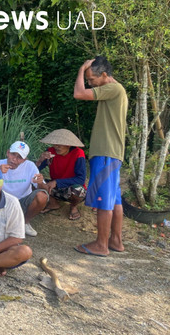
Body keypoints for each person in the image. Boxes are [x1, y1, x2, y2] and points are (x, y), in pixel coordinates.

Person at [73, 56, 128, 256]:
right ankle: (115, 241)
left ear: (104, 75)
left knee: (105, 200)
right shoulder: (116, 91)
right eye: (87, 79)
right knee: (114, 200)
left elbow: (79, 93)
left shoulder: (113, 88)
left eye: (92, 79)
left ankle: (101, 245)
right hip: (112, 152)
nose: (89, 83)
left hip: (106, 152)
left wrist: (81, 68)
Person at [0, 141, 48, 237]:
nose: (14, 159)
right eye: (13, 154)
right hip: (1, 202)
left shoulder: (30, 166)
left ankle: (24, 223)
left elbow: (45, 189)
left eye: (19, 157)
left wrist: (40, 182)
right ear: (8, 153)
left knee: (42, 196)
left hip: (22, 202)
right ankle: (2, 221)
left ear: (24, 160)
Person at [35, 129, 87, 221]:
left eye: (60, 144)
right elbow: (34, 170)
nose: (56, 147)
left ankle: (73, 206)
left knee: (79, 190)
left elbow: (81, 179)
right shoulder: (50, 152)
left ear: (69, 145)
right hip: (54, 187)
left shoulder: (78, 153)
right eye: (55, 144)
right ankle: (53, 203)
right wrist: (40, 160)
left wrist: (57, 182)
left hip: (71, 187)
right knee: (34, 181)